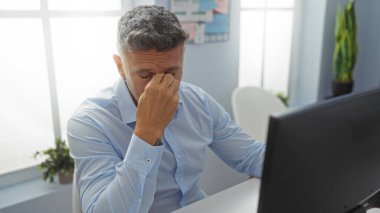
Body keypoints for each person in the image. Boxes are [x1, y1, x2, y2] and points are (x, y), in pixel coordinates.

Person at [68, 5, 265, 213]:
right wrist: (147, 132)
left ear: (183, 56)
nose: (159, 85)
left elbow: (251, 156)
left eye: (172, 72)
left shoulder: (198, 102)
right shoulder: (88, 122)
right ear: (120, 67)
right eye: (145, 75)